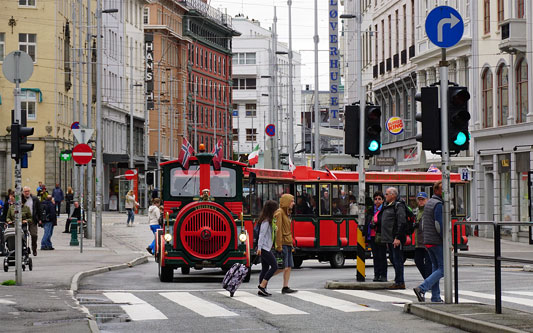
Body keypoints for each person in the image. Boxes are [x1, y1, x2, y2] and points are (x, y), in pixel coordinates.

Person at [414, 181, 444, 303]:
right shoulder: (438, 204)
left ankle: (435, 297)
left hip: (427, 240)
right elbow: (439, 224)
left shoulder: (429, 203)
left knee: (435, 267)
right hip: (436, 240)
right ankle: (422, 288)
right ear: (437, 190)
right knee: (443, 269)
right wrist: (447, 240)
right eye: (444, 189)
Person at [380, 187, 407, 289]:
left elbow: (401, 222)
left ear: (393, 195)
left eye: (386, 194)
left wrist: (398, 237)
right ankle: (398, 280)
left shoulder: (398, 206)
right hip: (390, 238)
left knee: (397, 259)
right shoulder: (388, 205)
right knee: (393, 258)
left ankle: (400, 282)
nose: (385, 196)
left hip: (395, 238)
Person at [274, 193, 297, 294]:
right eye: (291, 201)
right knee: (282, 267)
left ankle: (285, 286)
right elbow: (277, 230)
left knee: (288, 266)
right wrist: (278, 245)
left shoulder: (287, 213)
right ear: (287, 202)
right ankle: (264, 280)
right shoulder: (279, 213)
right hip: (283, 243)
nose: (293, 203)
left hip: (287, 242)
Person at [256, 200, 280, 297]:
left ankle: (263, 289)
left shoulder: (269, 221)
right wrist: (259, 248)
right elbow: (261, 235)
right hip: (264, 248)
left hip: (266, 248)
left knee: (265, 268)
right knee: (275, 266)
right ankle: (262, 286)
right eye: (276, 209)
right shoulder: (266, 222)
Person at [363, 191, 387, 282]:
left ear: (383, 200)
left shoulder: (384, 210)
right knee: (376, 256)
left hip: (381, 235)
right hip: (372, 236)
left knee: (382, 256)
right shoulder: (371, 210)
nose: (377, 201)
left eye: (379, 199)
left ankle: (383, 275)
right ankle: (376, 274)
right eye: (376, 199)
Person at [413, 192, 432, 280]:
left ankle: (428, 281)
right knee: (418, 261)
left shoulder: (428, 210)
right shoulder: (417, 211)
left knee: (428, 263)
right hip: (419, 241)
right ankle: (428, 280)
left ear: (427, 200)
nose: (421, 201)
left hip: (427, 241)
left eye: (423, 199)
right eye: (419, 200)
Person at [22, 186, 42, 256]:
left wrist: (40, 219)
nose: (27, 192)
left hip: (33, 220)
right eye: (25, 191)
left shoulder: (35, 199)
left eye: (28, 191)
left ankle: (34, 248)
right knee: (23, 236)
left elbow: (39, 209)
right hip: (23, 220)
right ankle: (24, 249)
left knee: (34, 235)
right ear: (23, 192)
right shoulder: (21, 199)